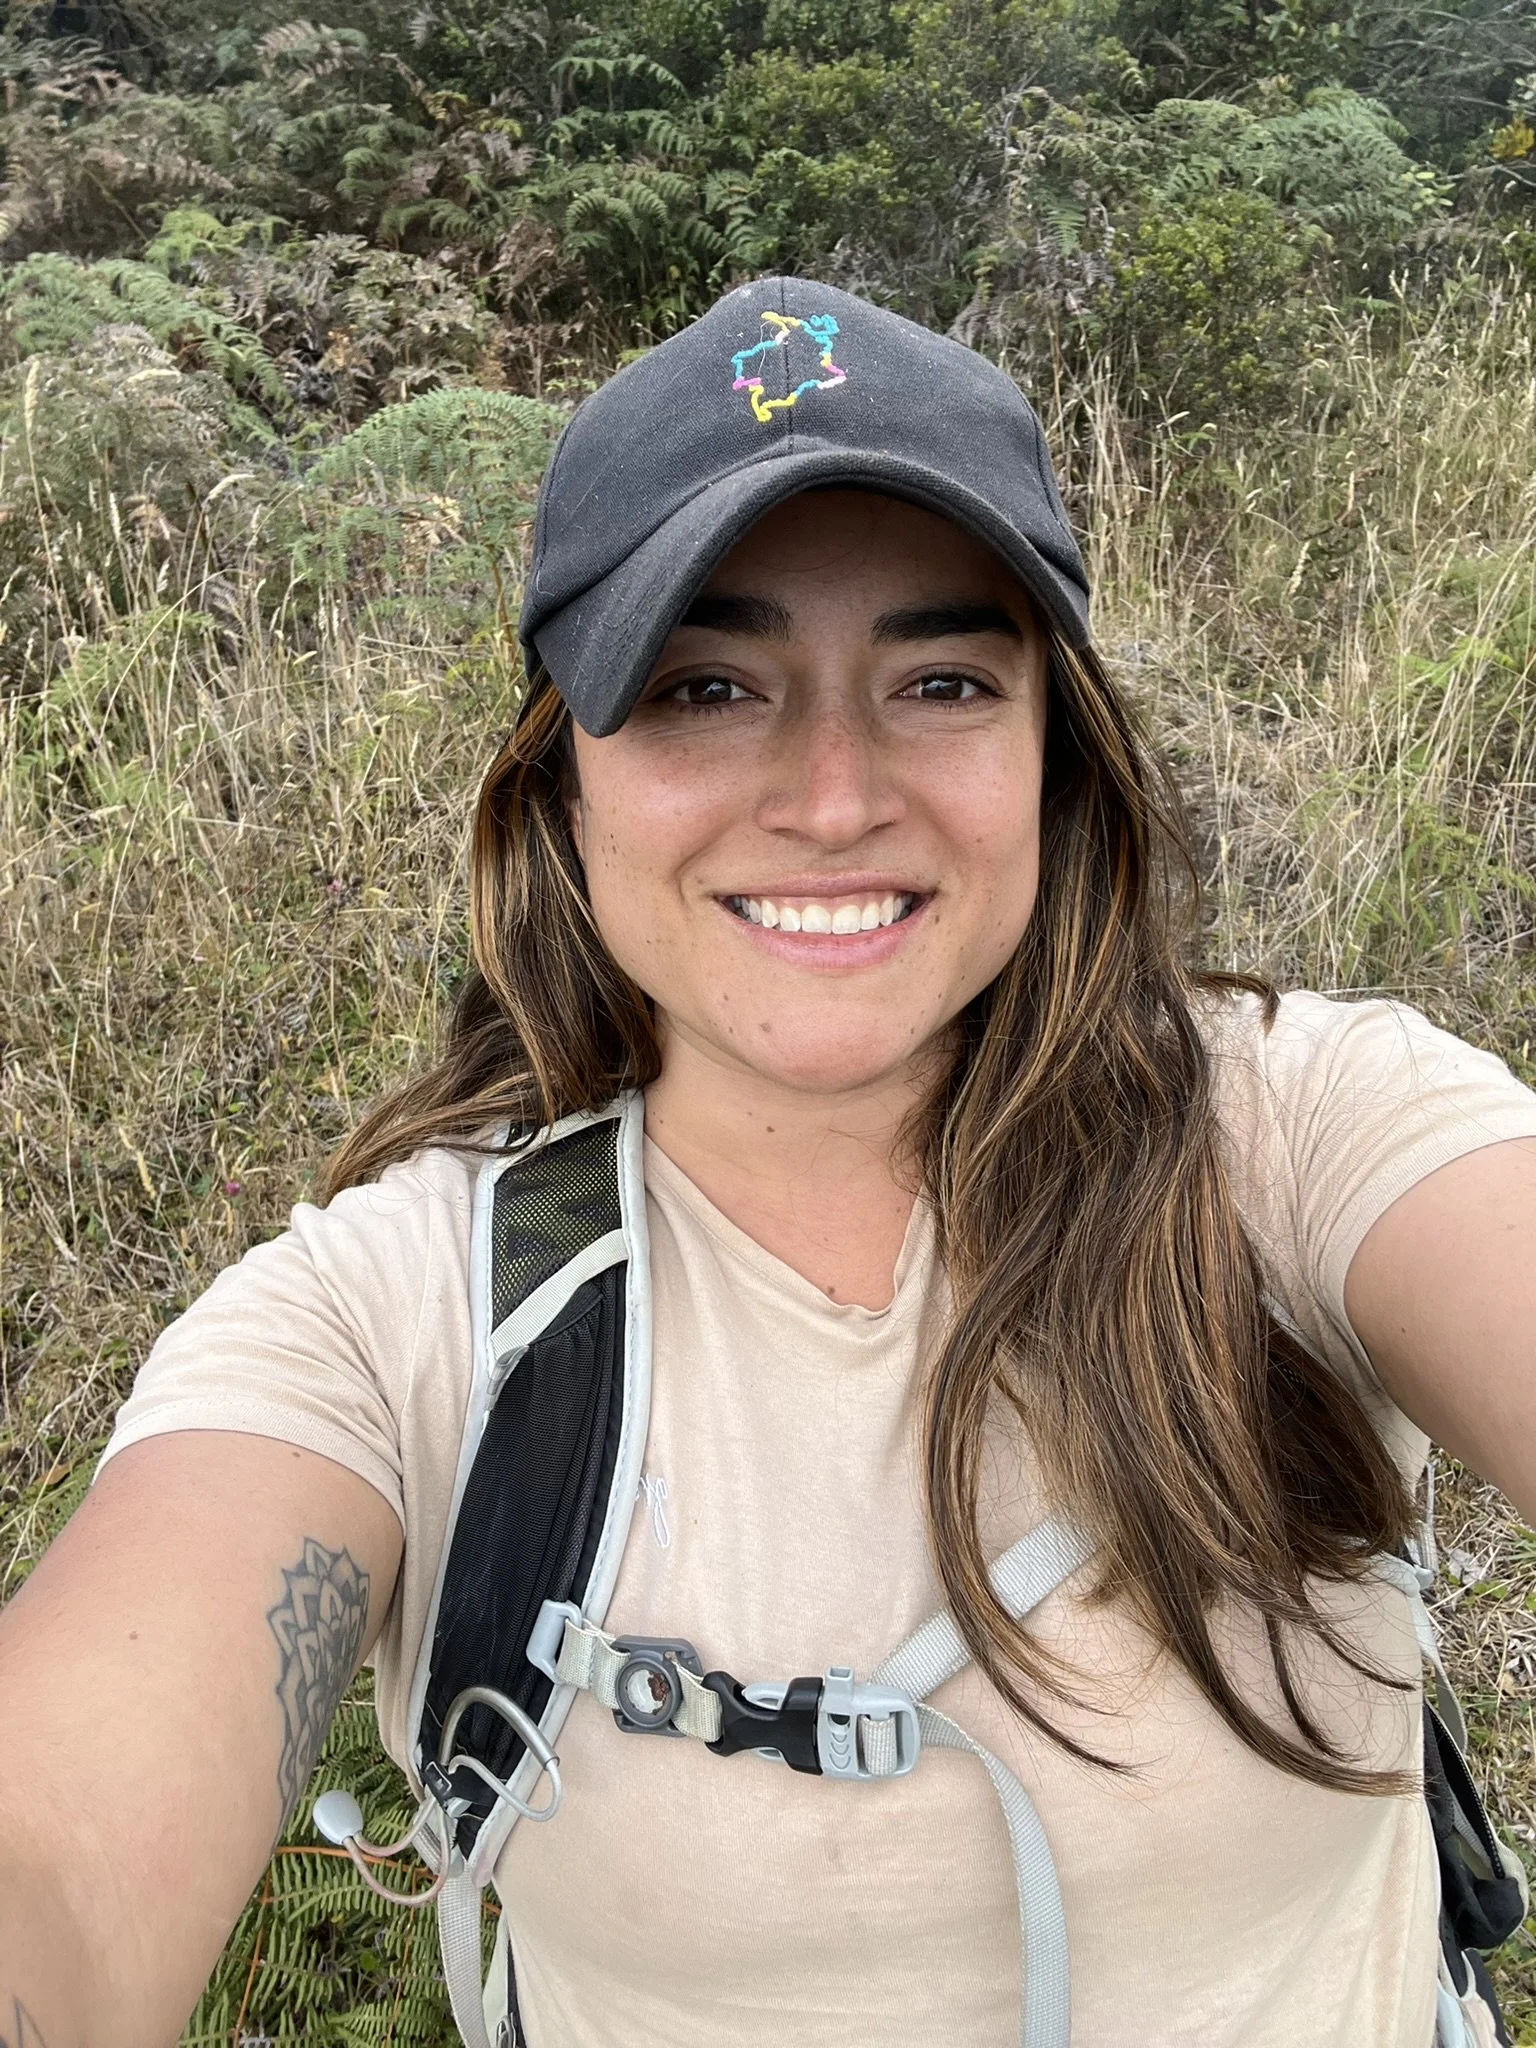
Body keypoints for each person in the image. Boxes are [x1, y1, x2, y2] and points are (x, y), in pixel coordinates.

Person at [1, 276, 1533, 2048]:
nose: (829, 793)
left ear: (1059, 759)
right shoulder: (396, 1317)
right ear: (559, 781)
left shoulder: (1310, 1137)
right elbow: (62, 1851)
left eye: (943, 679)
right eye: (705, 683)